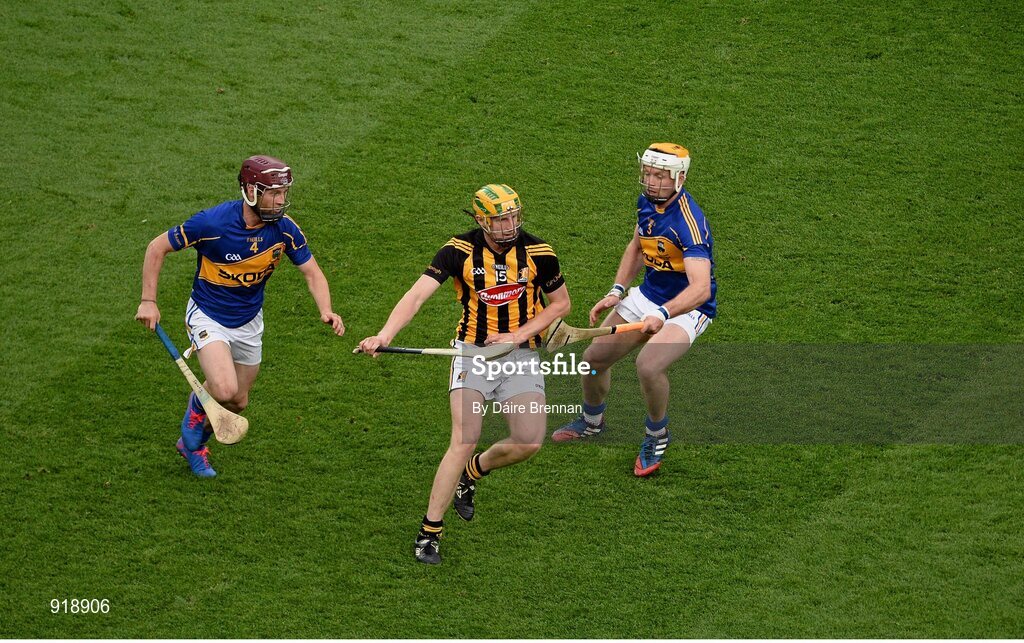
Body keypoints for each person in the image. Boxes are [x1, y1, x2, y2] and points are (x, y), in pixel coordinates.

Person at [358, 184, 570, 565]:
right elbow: (416, 296)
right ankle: (429, 533)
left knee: (528, 442)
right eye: (500, 219)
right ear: (481, 220)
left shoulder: (540, 253)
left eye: (513, 216)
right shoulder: (458, 251)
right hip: (472, 352)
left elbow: (561, 304)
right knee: (464, 438)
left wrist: (518, 335)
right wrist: (384, 335)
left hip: (520, 354)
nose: (510, 225)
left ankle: (471, 475)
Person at [135, 155, 345, 478]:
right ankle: (195, 420)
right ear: (250, 190)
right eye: (273, 193)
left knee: (238, 402)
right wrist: (148, 300)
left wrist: (326, 309)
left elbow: (312, 274)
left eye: (283, 193)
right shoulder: (213, 224)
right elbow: (156, 247)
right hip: (208, 316)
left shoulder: (284, 230)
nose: (281, 201)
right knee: (222, 387)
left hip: (248, 321)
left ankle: (191, 443)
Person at [552, 143, 716, 477]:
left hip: (687, 308)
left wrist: (664, 314)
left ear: (679, 178)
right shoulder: (647, 203)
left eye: (659, 176)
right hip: (649, 296)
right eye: (648, 173)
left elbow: (700, 288)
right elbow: (636, 247)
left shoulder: (688, 224)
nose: (651, 181)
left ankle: (657, 434)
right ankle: (591, 422)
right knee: (593, 361)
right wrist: (617, 290)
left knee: (649, 365)